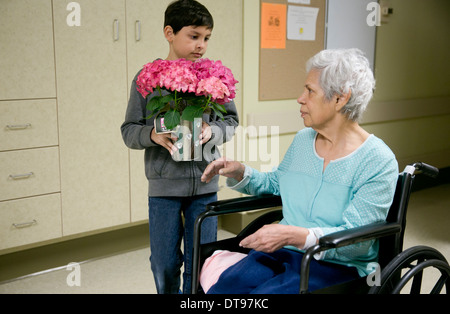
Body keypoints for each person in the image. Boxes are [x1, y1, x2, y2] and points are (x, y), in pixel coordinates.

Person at [200, 48, 398, 294]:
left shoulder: (377, 160)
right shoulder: (304, 140)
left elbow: (356, 243)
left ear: (340, 98)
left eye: (310, 90)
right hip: (283, 253)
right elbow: (277, 183)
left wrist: (294, 235)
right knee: (226, 288)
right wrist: (240, 172)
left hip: (337, 267)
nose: (300, 98)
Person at [121, 0, 239, 294]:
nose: (201, 45)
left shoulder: (213, 77)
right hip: (164, 190)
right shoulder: (147, 79)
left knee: (202, 260)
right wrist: (152, 135)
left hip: (206, 184)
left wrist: (213, 129)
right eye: (194, 36)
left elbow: (232, 122)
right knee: (163, 262)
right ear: (169, 33)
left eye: (206, 38)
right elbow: (129, 130)